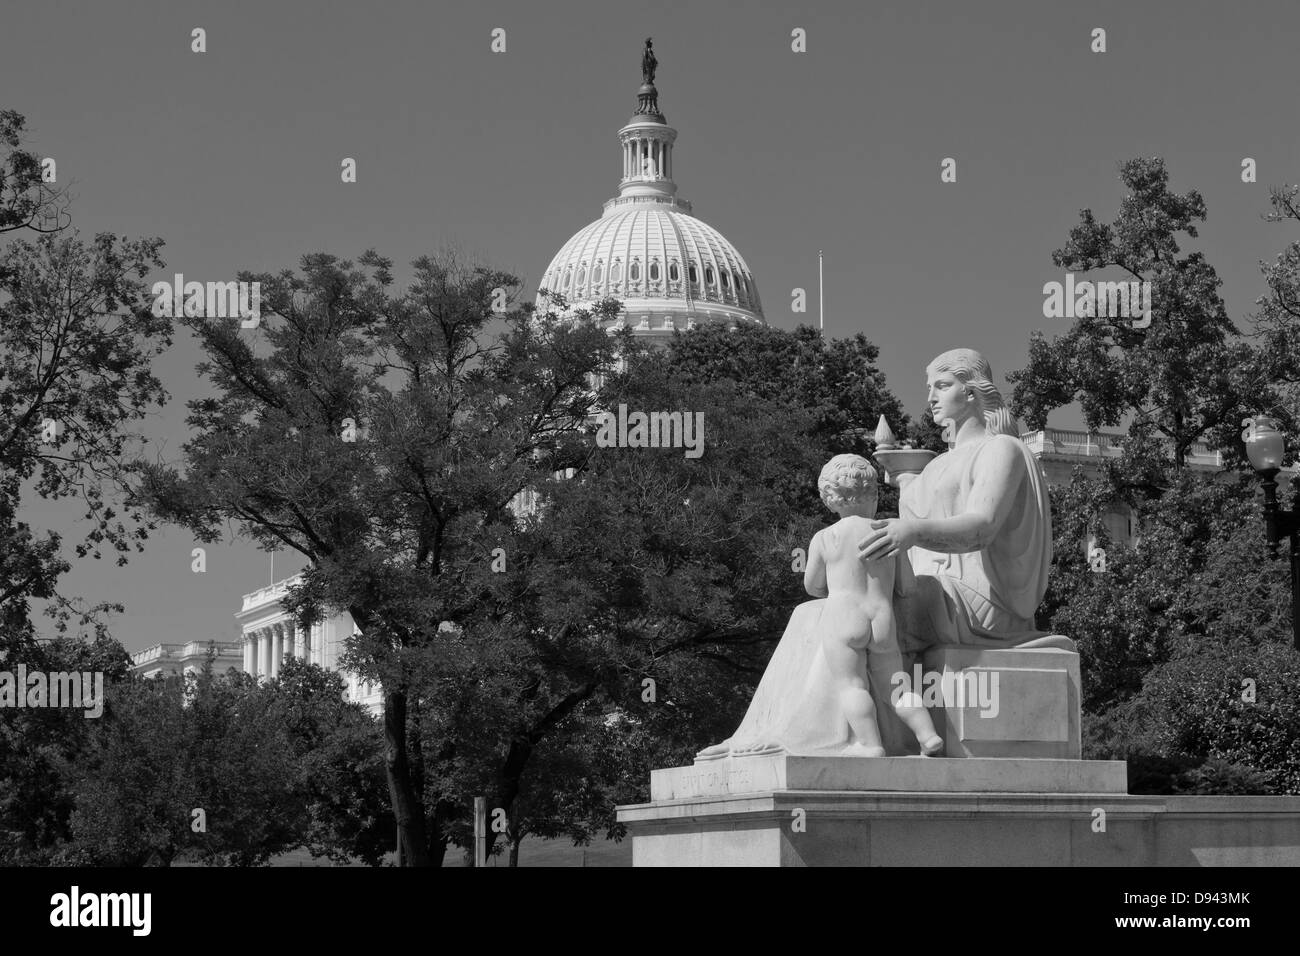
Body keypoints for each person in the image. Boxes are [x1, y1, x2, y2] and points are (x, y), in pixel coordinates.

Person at [806, 455, 943, 757]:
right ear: (874, 494)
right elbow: (907, 588)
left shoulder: (825, 537)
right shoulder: (888, 533)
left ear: (829, 499)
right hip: (882, 617)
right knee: (897, 687)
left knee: (852, 686)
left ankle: (869, 744)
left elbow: (813, 586)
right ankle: (928, 735)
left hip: (843, 616)